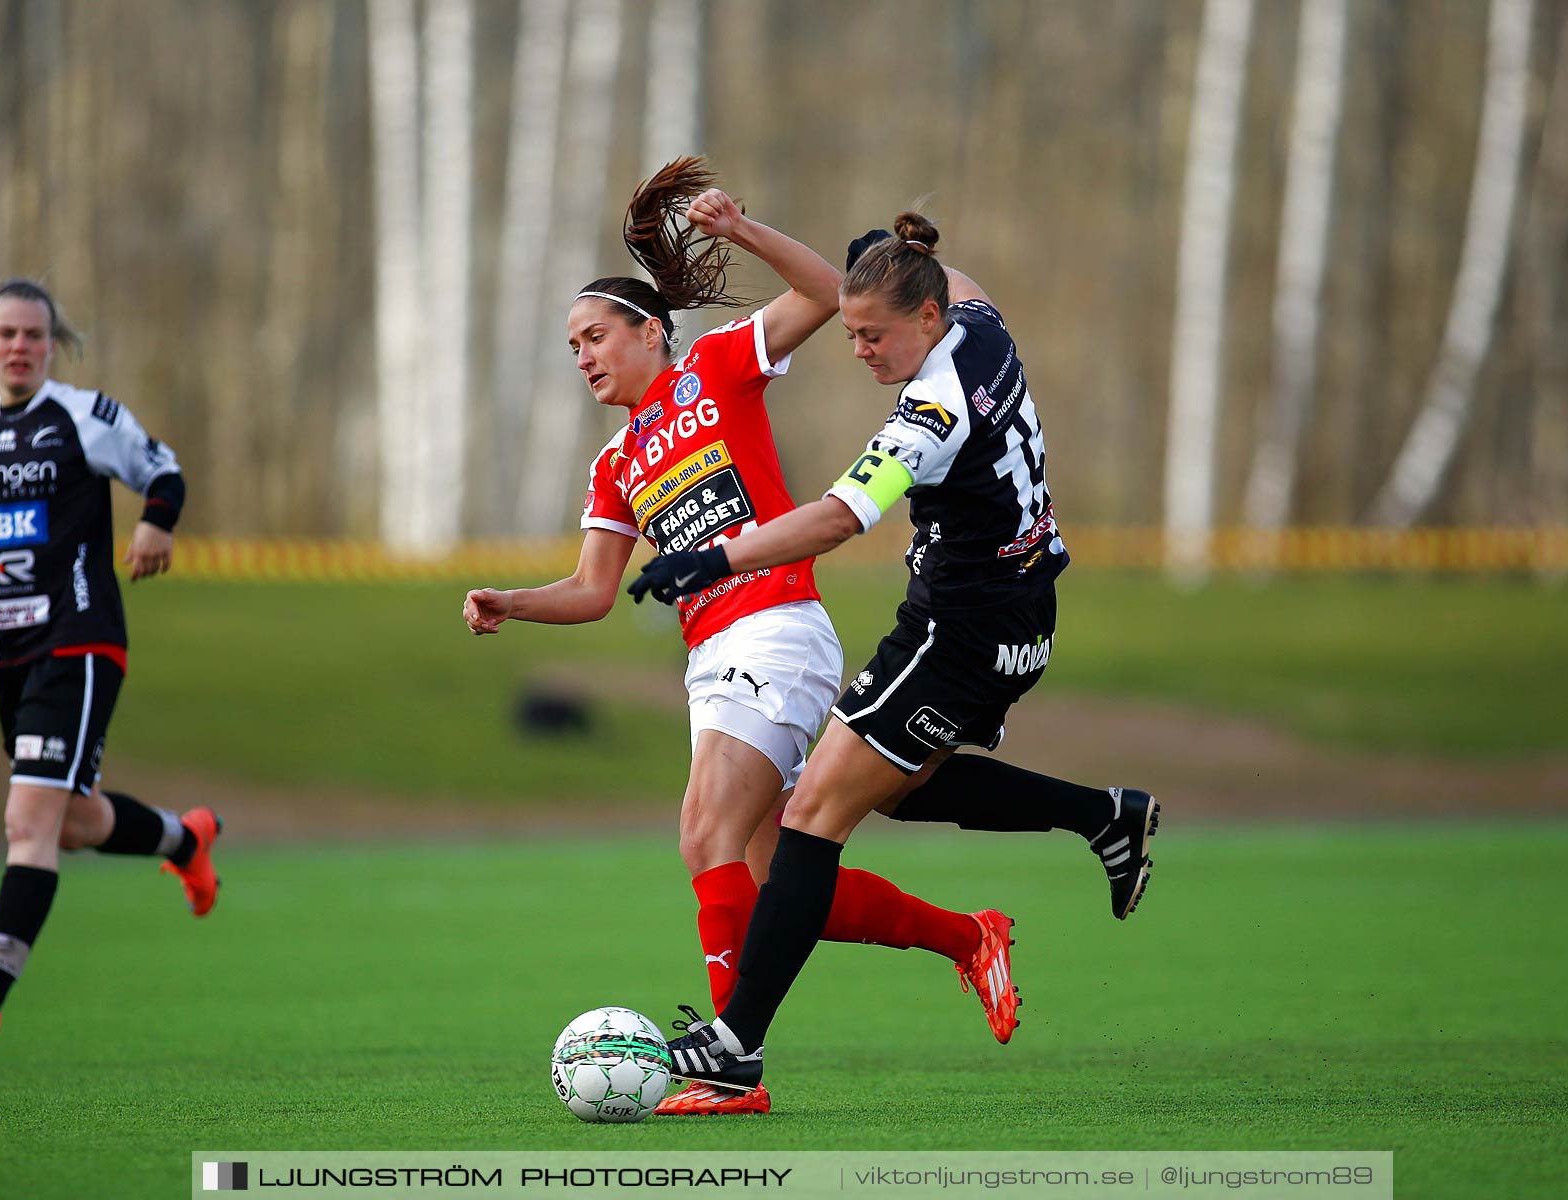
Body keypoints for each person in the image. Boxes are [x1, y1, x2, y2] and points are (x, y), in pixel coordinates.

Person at [463, 162, 1014, 1116]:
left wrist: (742, 229)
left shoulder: (714, 367)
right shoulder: (613, 463)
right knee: (768, 883)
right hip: (712, 659)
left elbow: (820, 294)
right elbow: (595, 592)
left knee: (702, 831)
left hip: (776, 629)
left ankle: (728, 1071)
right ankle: (971, 937)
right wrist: (513, 600)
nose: (585, 357)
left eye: (596, 337)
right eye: (572, 348)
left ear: (650, 332)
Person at [629, 215, 1161, 1096]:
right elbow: (967, 276)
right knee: (901, 788)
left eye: (874, 333)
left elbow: (838, 518)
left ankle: (735, 1043)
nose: (861, 350)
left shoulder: (933, 409)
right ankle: (1107, 817)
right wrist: (890, 258)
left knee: (811, 820)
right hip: (1009, 610)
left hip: (964, 627)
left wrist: (714, 556)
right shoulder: (979, 323)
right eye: (848, 332)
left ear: (922, 316)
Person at [0, 279, 219, 1048]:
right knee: (71, 822)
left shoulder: (82, 416)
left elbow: (164, 468)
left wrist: (155, 524)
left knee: (25, 820)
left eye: (33, 335)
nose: (19, 347)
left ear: (51, 345)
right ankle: (187, 839)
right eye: (5, 334)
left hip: (78, 643)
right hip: (10, 657)